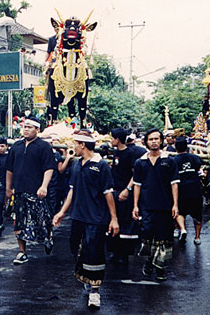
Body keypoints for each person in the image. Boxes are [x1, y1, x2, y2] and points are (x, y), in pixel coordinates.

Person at [53, 129, 119, 309]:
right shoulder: (76, 164)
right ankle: (88, 279)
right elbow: (72, 190)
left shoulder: (101, 165)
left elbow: (108, 193)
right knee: (77, 249)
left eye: (75, 143)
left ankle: (95, 291)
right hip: (78, 216)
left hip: (96, 218)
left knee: (94, 253)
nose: (74, 147)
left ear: (82, 145)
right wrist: (62, 212)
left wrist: (114, 219)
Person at [6, 116, 56, 264]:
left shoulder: (44, 146)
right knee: (18, 222)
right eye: (25, 126)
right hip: (20, 191)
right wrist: (8, 188)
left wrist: (44, 186)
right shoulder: (16, 146)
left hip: (37, 192)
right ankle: (22, 252)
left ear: (37, 129)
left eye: (29, 127)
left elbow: (49, 168)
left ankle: (48, 237)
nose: (26, 129)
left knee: (43, 220)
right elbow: (9, 169)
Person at [132, 128, 179, 281]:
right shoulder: (140, 162)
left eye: (156, 139)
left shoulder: (169, 161)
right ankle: (149, 261)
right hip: (146, 205)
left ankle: (160, 268)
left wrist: (175, 205)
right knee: (147, 235)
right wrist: (135, 205)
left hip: (165, 206)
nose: (154, 141)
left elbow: (174, 184)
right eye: (151, 139)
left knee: (164, 237)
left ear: (161, 141)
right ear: (146, 141)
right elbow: (137, 185)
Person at [108, 128, 139, 264]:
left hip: (125, 192)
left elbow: (135, 174)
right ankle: (115, 251)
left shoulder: (130, 153)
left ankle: (124, 254)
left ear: (118, 139)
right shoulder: (115, 153)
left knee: (126, 223)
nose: (110, 141)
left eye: (112, 138)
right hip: (115, 191)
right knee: (115, 221)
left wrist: (127, 189)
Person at [173, 137, 204, 245]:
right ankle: (197, 237)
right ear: (187, 146)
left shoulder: (173, 160)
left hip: (181, 190)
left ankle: (182, 229)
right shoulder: (195, 158)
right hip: (195, 189)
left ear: (175, 147)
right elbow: (200, 168)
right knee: (197, 215)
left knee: (180, 212)